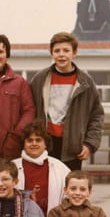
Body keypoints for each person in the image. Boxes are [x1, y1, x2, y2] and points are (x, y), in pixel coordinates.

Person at [30, 32, 104, 171]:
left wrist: (89, 144)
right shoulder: (40, 79)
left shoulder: (86, 82)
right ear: (51, 53)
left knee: (70, 183)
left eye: (66, 50)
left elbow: (96, 116)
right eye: (57, 51)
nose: (61, 54)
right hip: (44, 144)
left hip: (72, 148)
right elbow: (30, 110)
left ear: (74, 53)